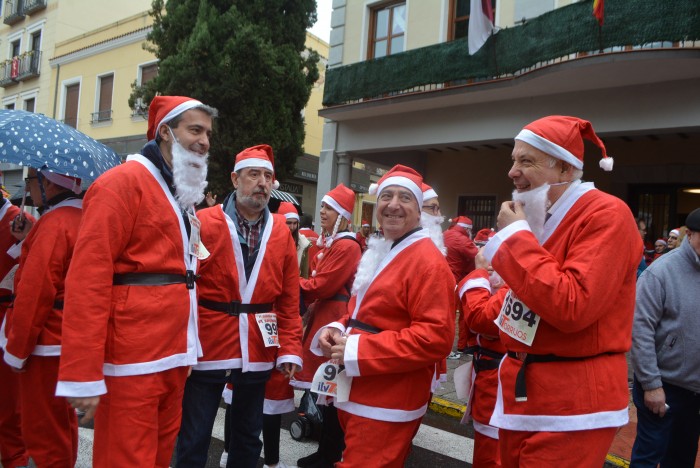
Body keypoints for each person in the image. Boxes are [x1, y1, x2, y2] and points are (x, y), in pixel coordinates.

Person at [466, 115, 641, 467]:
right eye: (513, 160)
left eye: (525, 160)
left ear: (563, 168)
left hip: (572, 402)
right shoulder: (540, 219)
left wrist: (514, 239)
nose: (512, 171)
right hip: (525, 389)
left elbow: (572, 305)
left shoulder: (607, 214)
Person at [56, 95, 218, 467]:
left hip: (174, 356)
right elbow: (88, 278)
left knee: (160, 459)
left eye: (208, 133)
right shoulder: (122, 184)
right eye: (195, 129)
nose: (205, 141)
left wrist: (190, 344)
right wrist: (82, 373)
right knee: (125, 459)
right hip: (132, 359)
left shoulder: (181, 196)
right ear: (165, 132)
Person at [313, 164, 456, 467]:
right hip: (362, 389)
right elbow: (362, 310)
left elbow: (435, 339)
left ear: (420, 211)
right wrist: (338, 327)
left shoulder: (428, 261)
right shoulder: (386, 248)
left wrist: (358, 349)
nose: (393, 205)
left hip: (387, 398)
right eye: (386, 196)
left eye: (404, 198)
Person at [175, 144, 303, 468]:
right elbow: (183, 286)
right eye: (254, 174)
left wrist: (290, 348)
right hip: (209, 345)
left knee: (248, 438)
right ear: (235, 179)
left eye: (268, 176)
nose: (262, 182)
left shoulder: (280, 233)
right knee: (194, 436)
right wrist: (182, 343)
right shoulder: (202, 222)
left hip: (258, 347)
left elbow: (288, 298)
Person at [2, 169, 83, 467]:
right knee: (64, 426)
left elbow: (34, 293)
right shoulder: (81, 217)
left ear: (47, 183)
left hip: (46, 343)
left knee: (44, 433)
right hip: (70, 338)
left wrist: (17, 350)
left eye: (30, 181)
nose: (28, 189)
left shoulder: (55, 223)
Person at [293, 183, 361, 468]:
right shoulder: (338, 243)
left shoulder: (346, 245)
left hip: (334, 315)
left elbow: (323, 284)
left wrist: (289, 283)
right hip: (328, 313)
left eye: (329, 208)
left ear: (343, 215)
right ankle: (327, 450)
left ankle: (330, 453)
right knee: (327, 387)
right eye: (321, 206)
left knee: (332, 389)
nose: (322, 212)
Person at [630, 207, 700, 467]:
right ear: (689, 235)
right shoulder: (660, 272)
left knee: (682, 457)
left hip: (694, 390)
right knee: (649, 457)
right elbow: (640, 330)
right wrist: (651, 384)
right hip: (663, 385)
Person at [458, 234, 506, 468]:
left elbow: (481, 320)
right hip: (491, 376)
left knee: (492, 455)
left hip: (500, 383)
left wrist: (478, 274)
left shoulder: (518, 281)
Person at [0, 193, 31, 468]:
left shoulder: (22, 221)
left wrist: (26, 239)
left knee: (9, 405)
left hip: (7, 317)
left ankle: (15, 459)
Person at [444, 215, 478, 357]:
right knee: (453, 317)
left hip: (441, 278)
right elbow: (479, 257)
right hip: (455, 281)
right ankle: (451, 350)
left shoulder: (445, 234)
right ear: (468, 230)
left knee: (443, 315)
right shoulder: (463, 240)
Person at [278, 201, 312, 278]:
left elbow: (304, 274)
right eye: (289, 223)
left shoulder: (303, 243)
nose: (292, 227)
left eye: (295, 223)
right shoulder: (272, 239)